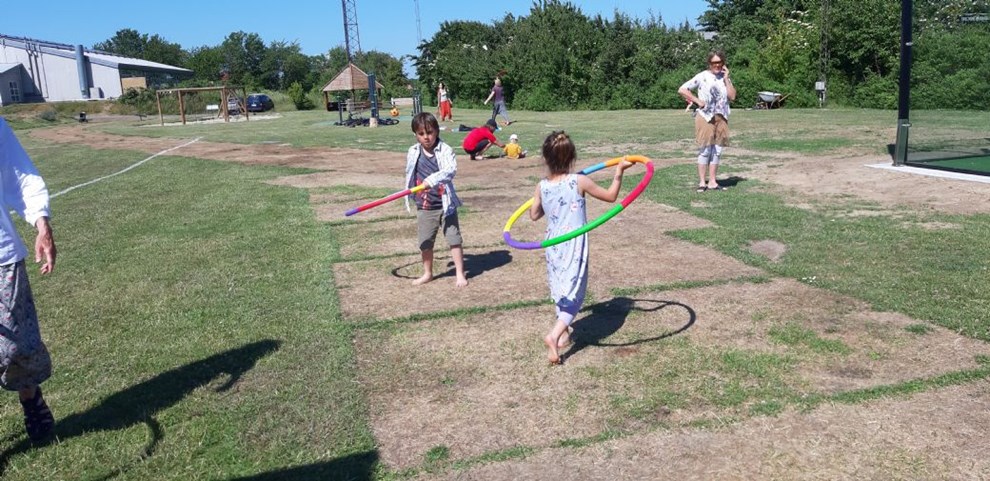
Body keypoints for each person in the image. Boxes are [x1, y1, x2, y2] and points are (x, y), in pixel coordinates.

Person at [528, 131, 632, 365]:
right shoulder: (579, 181)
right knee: (575, 292)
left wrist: (545, 200)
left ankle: (564, 333)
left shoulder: (542, 186)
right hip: (573, 244)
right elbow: (611, 197)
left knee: (560, 286)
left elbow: (534, 215)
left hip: (553, 244)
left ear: (546, 158)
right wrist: (619, 172)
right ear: (572, 157)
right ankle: (554, 335)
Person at [0, 116, 56, 441]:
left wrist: (41, 224)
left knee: (16, 346)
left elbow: (20, 176)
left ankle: (29, 395)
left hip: (2, 257)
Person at [404, 112, 468, 287]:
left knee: (454, 240)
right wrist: (410, 191)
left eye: (430, 132)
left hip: (446, 204)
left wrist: (430, 181)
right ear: (415, 135)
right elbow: (410, 173)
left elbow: (450, 170)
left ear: (437, 131)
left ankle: (460, 274)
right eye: (421, 134)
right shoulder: (413, 151)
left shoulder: (445, 150)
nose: (426, 137)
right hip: (425, 205)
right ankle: (428, 273)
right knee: (425, 242)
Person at [678, 50, 736, 192]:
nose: (717, 65)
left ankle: (713, 182)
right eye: (714, 62)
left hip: (721, 116)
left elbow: (732, 96)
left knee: (717, 150)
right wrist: (697, 100)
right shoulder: (702, 76)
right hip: (705, 116)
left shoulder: (724, 77)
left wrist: (727, 78)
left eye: (719, 62)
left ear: (723, 63)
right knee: (705, 149)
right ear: (709, 63)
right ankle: (702, 182)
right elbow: (682, 89)